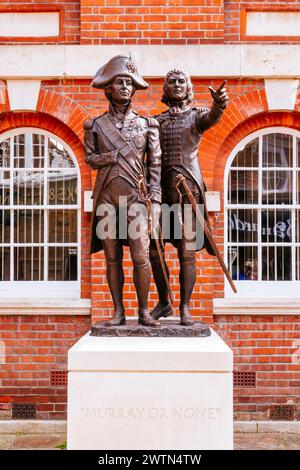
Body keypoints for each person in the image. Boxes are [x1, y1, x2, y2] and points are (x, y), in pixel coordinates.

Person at [84, 55, 162, 327]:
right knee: (112, 257)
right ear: (109, 88)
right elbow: (90, 158)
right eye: (120, 82)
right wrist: (110, 157)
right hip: (106, 197)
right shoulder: (94, 125)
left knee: (141, 256)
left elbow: (155, 163)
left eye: (129, 83)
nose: (125, 87)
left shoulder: (147, 125)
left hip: (136, 200)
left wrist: (155, 195)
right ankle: (119, 312)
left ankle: (144, 312)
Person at [149, 69, 228, 326]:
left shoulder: (196, 117)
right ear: (166, 88)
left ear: (189, 87)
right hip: (162, 191)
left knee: (186, 251)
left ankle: (185, 307)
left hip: (188, 191)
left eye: (182, 81)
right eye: (171, 81)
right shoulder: (156, 121)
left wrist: (219, 103)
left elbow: (213, 117)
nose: (177, 85)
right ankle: (164, 302)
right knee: (154, 249)